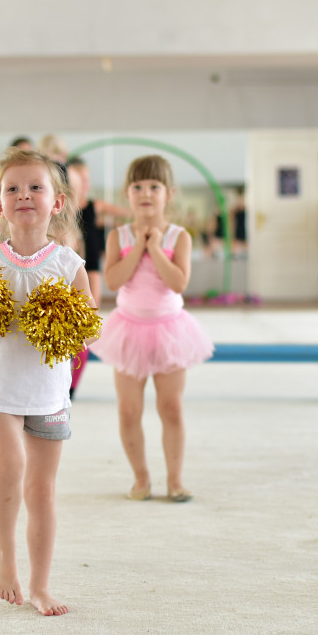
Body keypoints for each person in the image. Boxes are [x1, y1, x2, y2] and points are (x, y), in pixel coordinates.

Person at [0, 147, 94, 617]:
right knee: (9, 464)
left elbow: (89, 323)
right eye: (12, 188)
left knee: (42, 490)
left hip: (49, 393)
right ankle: (4, 554)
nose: (24, 195)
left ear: (57, 202)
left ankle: (40, 584)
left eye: (36, 187)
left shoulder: (69, 263)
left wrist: (71, 321)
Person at [89, 155, 213, 503]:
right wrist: (139, 246)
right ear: (126, 194)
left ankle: (175, 479)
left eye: (154, 187)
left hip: (170, 330)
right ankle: (141, 478)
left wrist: (156, 248)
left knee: (170, 407)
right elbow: (113, 279)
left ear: (169, 193)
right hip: (129, 330)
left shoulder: (180, 237)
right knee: (129, 410)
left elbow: (178, 282)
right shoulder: (118, 235)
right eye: (138, 187)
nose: (146, 193)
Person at [65, 157, 129, 398]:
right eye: (80, 179)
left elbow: (124, 212)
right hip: (69, 266)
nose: (85, 184)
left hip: (90, 268)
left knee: (87, 327)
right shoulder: (61, 208)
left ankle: (72, 385)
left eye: (86, 179)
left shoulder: (93, 206)